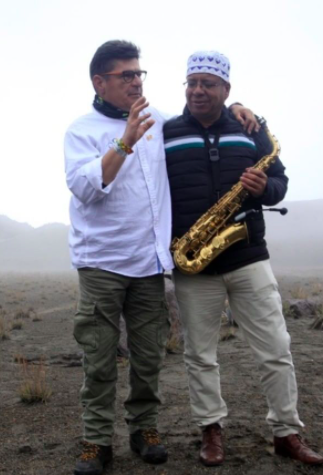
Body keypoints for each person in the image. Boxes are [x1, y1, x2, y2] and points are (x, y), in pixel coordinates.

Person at [64, 40, 258, 475]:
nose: (136, 81)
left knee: (149, 356)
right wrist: (127, 139)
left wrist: (240, 105)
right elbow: (87, 187)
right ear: (100, 82)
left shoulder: (161, 121)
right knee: (98, 358)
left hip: (150, 264)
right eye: (125, 75)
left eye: (139, 74)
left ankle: (144, 428)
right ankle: (96, 440)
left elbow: (201, 114)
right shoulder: (81, 130)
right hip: (101, 264)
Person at [164, 50, 323, 467]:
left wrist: (262, 188)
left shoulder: (250, 130)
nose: (198, 91)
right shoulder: (167, 132)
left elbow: (280, 182)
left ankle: (286, 432)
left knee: (276, 348)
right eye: (192, 82)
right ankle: (211, 430)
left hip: (248, 255)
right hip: (195, 263)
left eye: (208, 84)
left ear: (227, 90)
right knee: (199, 354)